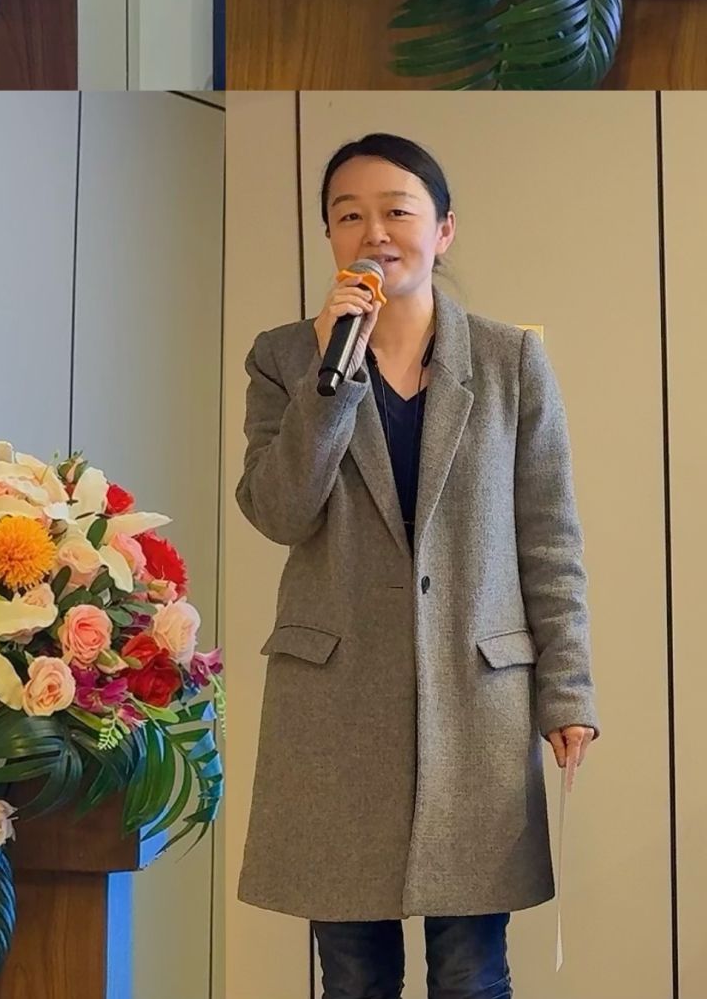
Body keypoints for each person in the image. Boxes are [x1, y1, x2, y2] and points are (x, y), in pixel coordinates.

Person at [236, 134, 597, 999]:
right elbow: (279, 511)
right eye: (348, 214)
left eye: (397, 210)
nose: (374, 231)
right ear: (329, 235)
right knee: (354, 975)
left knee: (472, 971)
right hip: (335, 707)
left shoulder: (510, 361)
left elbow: (549, 538)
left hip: (476, 703)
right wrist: (331, 375)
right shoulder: (284, 357)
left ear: (443, 230)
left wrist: (568, 691)